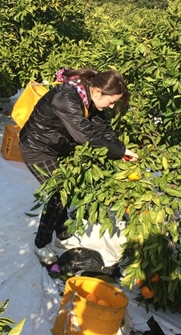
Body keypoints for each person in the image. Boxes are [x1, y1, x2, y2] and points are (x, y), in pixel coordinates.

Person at [19, 68, 138, 265]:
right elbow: (85, 136)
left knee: (65, 191)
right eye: (112, 101)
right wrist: (119, 150)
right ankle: (41, 244)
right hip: (37, 148)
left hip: (56, 146)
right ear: (98, 92)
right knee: (59, 193)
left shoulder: (89, 98)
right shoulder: (66, 98)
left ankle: (63, 235)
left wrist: (121, 149)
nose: (111, 106)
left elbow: (103, 129)